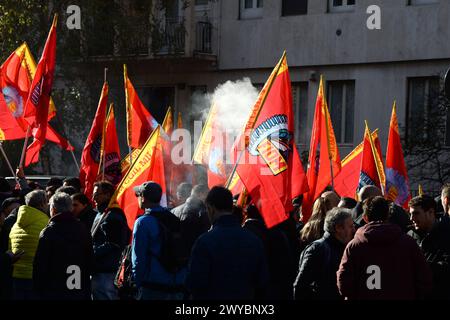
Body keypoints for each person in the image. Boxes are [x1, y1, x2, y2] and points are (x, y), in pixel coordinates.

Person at [337, 196, 432, 299]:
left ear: (365, 218)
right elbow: (424, 279)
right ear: (388, 215)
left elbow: (344, 283)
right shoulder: (408, 243)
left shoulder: (354, 246)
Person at [185, 186, 269, 299]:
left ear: (211, 208)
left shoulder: (204, 241)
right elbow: (262, 281)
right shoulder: (254, 240)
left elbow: (195, 284)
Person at [131, 181, 186, 300]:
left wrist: (137, 283)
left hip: (152, 286)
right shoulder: (173, 217)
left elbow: (138, 259)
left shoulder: (142, 222)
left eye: (138, 195)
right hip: (176, 284)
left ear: (143, 198)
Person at [33, 193, 93, 300]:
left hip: (54, 287)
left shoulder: (49, 231)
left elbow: (40, 264)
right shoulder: (82, 228)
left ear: (53, 209)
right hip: (77, 284)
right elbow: (89, 258)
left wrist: (38, 289)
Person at [294, 207, 354, 300]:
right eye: (350, 226)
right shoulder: (317, 249)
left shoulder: (344, 247)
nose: (354, 230)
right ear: (338, 228)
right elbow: (300, 286)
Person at [243, 204, 293, 299]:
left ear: (246, 215)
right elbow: (287, 265)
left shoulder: (243, 235)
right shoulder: (278, 234)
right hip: (275, 290)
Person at [91, 181, 129, 300]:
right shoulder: (101, 213)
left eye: (97, 194)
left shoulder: (113, 216)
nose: (93, 198)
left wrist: (92, 252)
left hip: (108, 270)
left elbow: (113, 243)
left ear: (108, 195)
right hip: (99, 268)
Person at [9, 190, 49, 300]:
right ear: (42, 203)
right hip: (36, 276)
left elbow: (9, 251)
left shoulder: (16, 225)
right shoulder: (46, 223)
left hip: (16, 275)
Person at [408, 195, 450, 299]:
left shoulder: (447, 233)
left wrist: (420, 265)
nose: (411, 218)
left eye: (416, 213)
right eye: (410, 214)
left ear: (431, 212)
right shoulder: (409, 235)